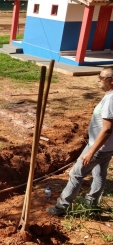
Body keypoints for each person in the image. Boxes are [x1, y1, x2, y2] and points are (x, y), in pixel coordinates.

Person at [47, 67, 113, 216]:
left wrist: (91, 151)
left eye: (101, 78)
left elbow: (107, 129)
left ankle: (61, 207)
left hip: (99, 147)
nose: (98, 80)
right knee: (99, 174)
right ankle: (91, 204)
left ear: (112, 80)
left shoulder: (110, 99)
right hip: (107, 147)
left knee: (76, 174)